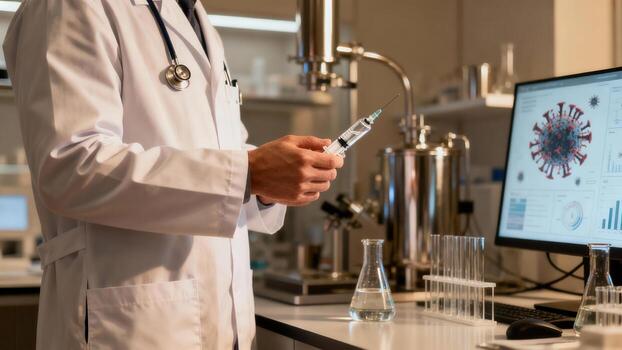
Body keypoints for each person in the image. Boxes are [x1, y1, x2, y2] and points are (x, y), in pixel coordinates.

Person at [2, 0, 343, 349]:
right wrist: (248, 173)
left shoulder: (195, 18)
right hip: (130, 323)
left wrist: (264, 188)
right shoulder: (70, 6)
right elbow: (71, 168)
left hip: (222, 319)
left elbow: (225, 158)